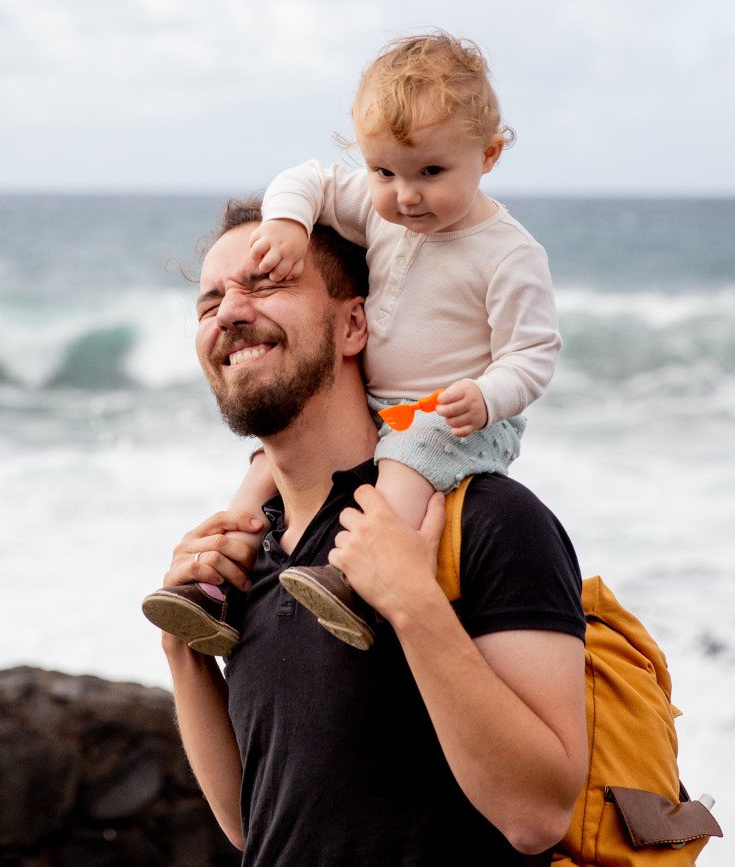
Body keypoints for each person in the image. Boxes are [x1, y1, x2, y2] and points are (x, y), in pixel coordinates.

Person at [151, 198, 587, 865]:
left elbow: (539, 812)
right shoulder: (255, 556)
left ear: (354, 323)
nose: (231, 313)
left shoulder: (486, 519)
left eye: (266, 283)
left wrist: (411, 602)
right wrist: (183, 653)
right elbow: (257, 822)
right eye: (209, 304)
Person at [146, 30, 563, 653]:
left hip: (455, 417)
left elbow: (534, 352)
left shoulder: (508, 254)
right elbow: (306, 178)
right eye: (383, 171)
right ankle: (216, 581)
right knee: (266, 466)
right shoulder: (379, 209)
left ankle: (352, 582)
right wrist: (286, 226)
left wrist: (487, 394)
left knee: (407, 456)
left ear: (491, 154)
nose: (406, 194)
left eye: (431, 171)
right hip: (383, 403)